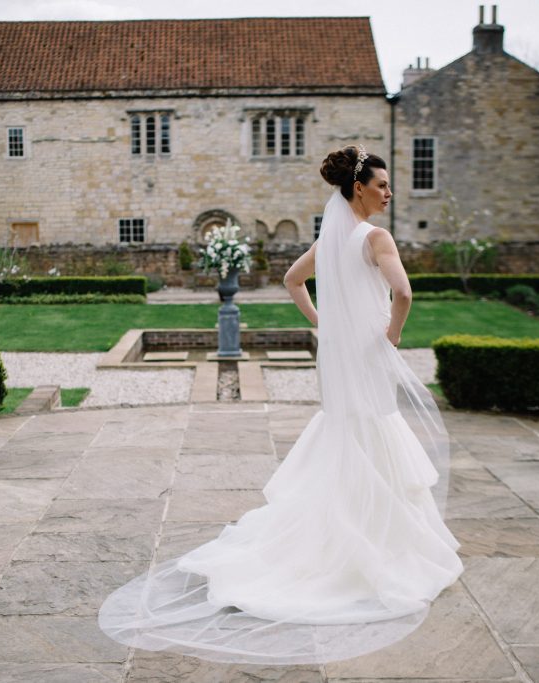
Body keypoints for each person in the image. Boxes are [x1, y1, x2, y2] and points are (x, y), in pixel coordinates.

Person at [98, 145, 463, 665]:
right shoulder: (376, 237)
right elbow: (402, 294)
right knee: (374, 433)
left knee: (348, 432)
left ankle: (346, 531)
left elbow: (294, 281)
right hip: (367, 356)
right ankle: (374, 541)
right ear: (358, 189)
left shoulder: (330, 239)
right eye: (381, 185)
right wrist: (392, 335)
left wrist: (322, 324)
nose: (388, 193)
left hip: (340, 358)